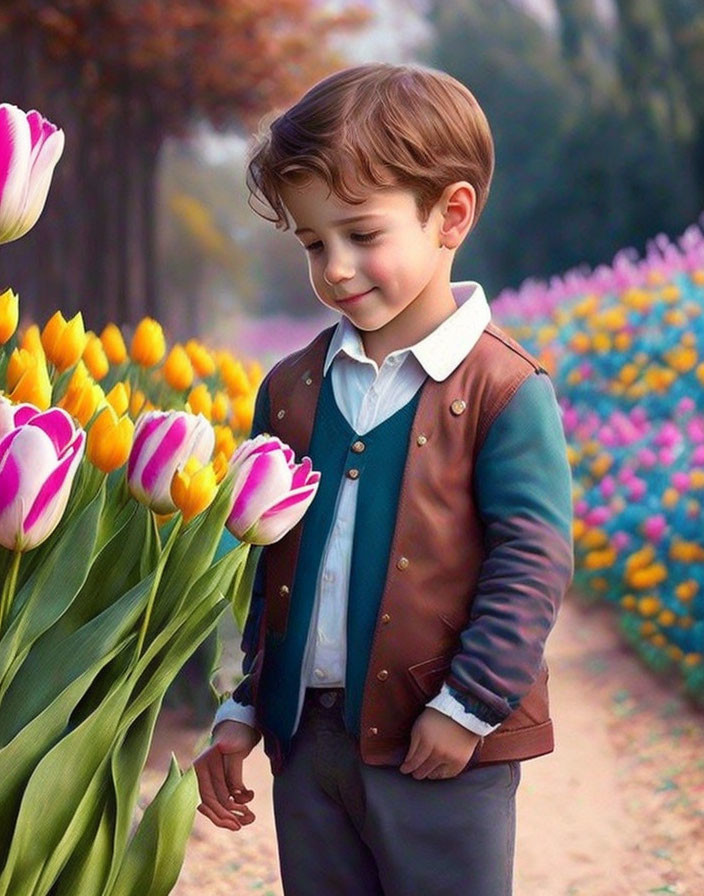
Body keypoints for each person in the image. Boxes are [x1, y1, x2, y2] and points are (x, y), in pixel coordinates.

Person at [194, 62, 574, 896]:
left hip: (440, 744)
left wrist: (467, 704)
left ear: (452, 214)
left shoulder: (504, 390)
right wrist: (240, 707)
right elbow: (264, 569)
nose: (335, 269)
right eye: (312, 243)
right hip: (310, 742)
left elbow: (532, 563)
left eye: (361, 235)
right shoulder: (289, 388)